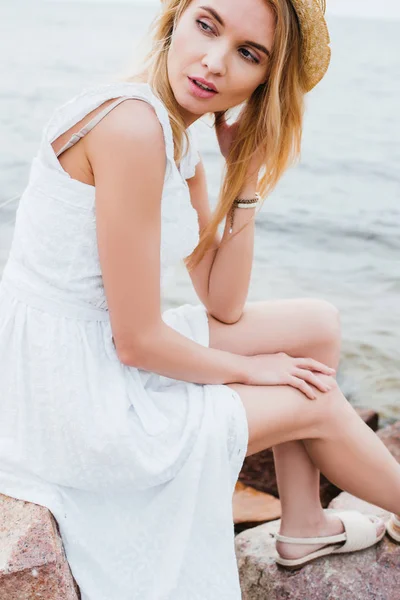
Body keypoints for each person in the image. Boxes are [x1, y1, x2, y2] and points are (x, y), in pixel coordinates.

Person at [0, 0, 399, 597]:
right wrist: (251, 370)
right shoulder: (131, 127)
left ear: (265, 80)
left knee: (316, 325)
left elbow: (223, 300)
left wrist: (246, 178)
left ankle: (305, 524)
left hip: (94, 351)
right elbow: (137, 342)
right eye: (206, 25)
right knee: (306, 394)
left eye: (247, 53)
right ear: (176, 19)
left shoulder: (169, 129)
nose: (213, 63)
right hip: (75, 397)